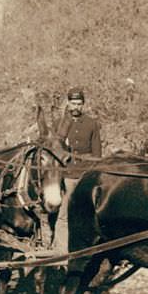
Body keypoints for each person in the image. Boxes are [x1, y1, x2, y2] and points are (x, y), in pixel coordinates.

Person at [53, 88, 102, 256]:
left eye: (79, 104)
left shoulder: (91, 124)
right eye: (73, 103)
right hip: (67, 174)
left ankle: (89, 248)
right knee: (65, 213)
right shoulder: (59, 124)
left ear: (83, 105)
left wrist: (94, 174)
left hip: (86, 175)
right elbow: (53, 151)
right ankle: (62, 252)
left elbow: (97, 153)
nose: (76, 107)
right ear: (68, 103)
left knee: (90, 213)